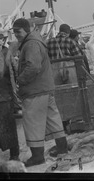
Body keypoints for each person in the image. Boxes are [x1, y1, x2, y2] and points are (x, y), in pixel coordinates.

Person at [12, 18, 68, 167]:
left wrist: (20, 81)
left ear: (26, 30)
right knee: (53, 118)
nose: (16, 35)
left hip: (35, 91)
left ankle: (37, 157)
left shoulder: (30, 44)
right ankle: (63, 148)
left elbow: (33, 67)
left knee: (33, 122)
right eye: (14, 32)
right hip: (45, 88)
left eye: (18, 31)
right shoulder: (37, 41)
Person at [0, 40, 20, 168]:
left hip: (1, 96)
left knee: (7, 126)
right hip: (2, 95)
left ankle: (14, 156)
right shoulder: (3, 52)